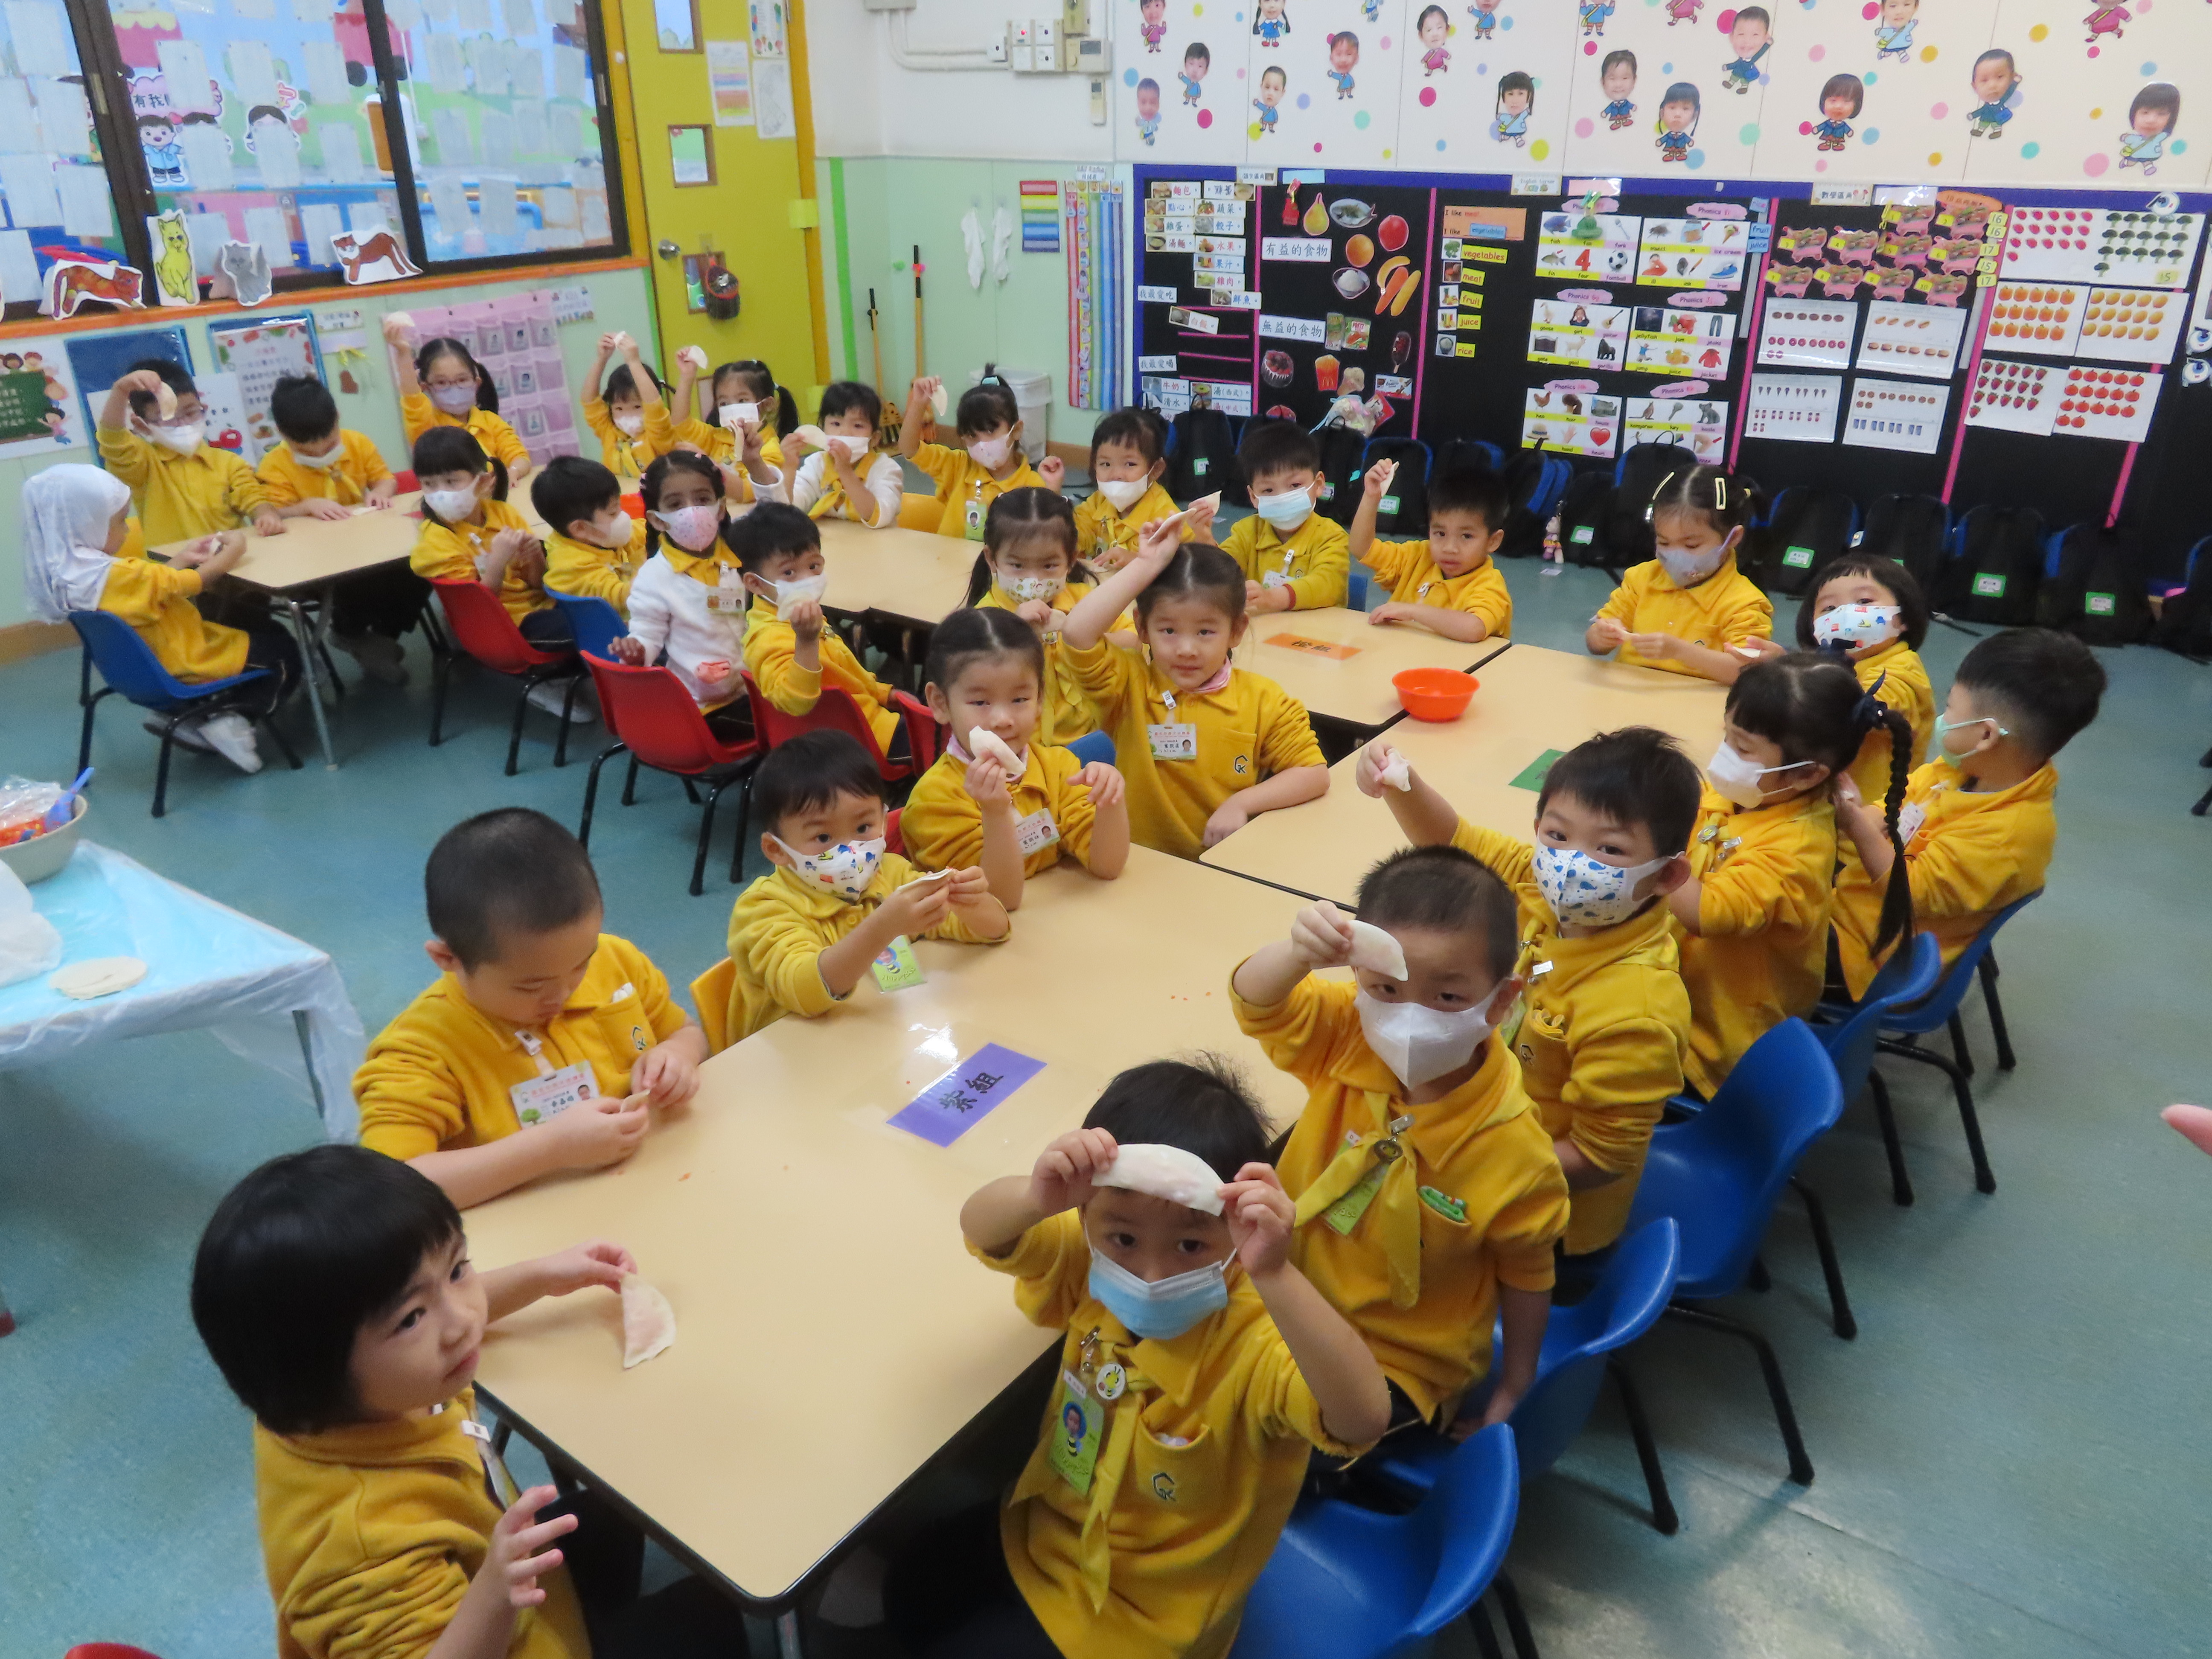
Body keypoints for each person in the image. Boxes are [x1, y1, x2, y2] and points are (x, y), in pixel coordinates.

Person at [889, 1059, 1391, 1659]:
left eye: (1191, 1244)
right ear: (1086, 1216)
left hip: (1146, 1623)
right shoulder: (1089, 1262)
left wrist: (1277, 1274)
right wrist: (1035, 1197)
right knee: (908, 1585)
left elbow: (1363, 1418)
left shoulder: (1256, 1342)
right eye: (1124, 1239)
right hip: (1045, 1533)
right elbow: (984, 1229)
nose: (1151, 1274)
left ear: (1235, 1235)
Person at [192, 1145, 745, 1659]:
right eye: (411, 1319)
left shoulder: (344, 1392)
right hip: (489, 1624)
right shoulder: (358, 1554)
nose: (461, 1324)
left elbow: (434, 1303)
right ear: (315, 1369)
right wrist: (493, 1597)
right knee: (711, 1613)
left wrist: (542, 1277)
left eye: (459, 1269)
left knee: (617, 1510)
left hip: (504, 1560)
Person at [1231, 847, 1569, 1434]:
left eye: (1447, 998)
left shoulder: (1519, 1155)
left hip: (1400, 1363)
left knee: (1263, 1434)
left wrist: (1516, 1386)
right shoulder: (1350, 1033)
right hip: (1279, 1302)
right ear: (1359, 978)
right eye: (1387, 989)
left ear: (1502, 1000)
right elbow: (1257, 1002)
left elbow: (1528, 1278)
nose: (1411, 1018)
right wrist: (1298, 954)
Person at [1357, 727, 1700, 1255]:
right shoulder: (1540, 889)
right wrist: (1399, 783)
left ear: (1667, 875)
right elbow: (1453, 840)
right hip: (1477, 1109)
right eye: (1558, 836)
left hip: (1535, 1207)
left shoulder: (1638, 1011)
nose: (1571, 865)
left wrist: (1468, 1155)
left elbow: (1600, 1159)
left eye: (1609, 849)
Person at [353, 809, 706, 1209]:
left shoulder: (614, 961)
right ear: (448, 959)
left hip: (658, 1188)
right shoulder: (419, 1050)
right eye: (531, 986)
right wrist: (550, 1149)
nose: (564, 994)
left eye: (581, 964)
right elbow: (392, 1189)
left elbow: (685, 1031)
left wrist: (677, 1055)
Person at [1673, 652, 1912, 1095]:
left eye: (1743, 748)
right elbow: (1697, 812)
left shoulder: (1796, 849)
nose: (1725, 755)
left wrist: (1645, 855)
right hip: (1687, 991)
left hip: (1716, 1044)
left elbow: (1704, 912)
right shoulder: (1756, 796)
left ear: (1804, 775)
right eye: (1727, 736)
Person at [1831, 627, 2105, 998]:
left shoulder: (2009, 836)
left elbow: (1909, 891)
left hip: (1874, 959)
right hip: (1853, 907)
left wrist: (1852, 822)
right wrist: (1849, 812)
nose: (1943, 717)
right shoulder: (1959, 769)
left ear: (1986, 736)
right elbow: (1888, 809)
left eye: (1950, 708)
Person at [718, 730, 1009, 1041]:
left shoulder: (891, 872)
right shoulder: (763, 907)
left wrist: (971, 901)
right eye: (823, 837)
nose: (850, 850)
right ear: (776, 850)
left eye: (863, 827)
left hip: (875, 1035)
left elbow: (996, 929)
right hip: (791, 1053)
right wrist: (884, 927)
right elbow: (805, 992)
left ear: (883, 818)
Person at [1061, 521, 1328, 859]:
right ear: (1142, 627)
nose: (1186, 650)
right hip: (1135, 866)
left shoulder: (1264, 700)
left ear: (1236, 631)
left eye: (1205, 632)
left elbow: (1313, 773)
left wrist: (1242, 803)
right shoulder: (1127, 684)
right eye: (1169, 631)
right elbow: (1076, 633)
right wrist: (1146, 564)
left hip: (1219, 867)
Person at [20, 464, 298, 774]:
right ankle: (235, 723)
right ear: (88, 525)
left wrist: (183, 558)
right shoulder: (121, 574)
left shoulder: (70, 575)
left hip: (141, 671)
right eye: (119, 522)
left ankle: (186, 717)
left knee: (258, 636)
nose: (127, 530)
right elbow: (197, 583)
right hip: (184, 659)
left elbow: (151, 588)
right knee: (283, 652)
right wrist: (234, 550)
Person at [901, 607, 1131, 910]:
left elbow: (1108, 866)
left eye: (1020, 699)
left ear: (1040, 698)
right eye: (980, 702)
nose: (1003, 719)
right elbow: (998, 901)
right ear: (941, 703)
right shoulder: (935, 800)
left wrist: (1110, 800)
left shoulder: (1057, 768)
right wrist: (995, 813)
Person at [257, 374, 417, 682]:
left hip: (367, 546)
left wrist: (379, 492)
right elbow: (272, 511)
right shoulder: (274, 465)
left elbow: (385, 479)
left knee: (417, 566)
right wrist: (305, 507)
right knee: (357, 581)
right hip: (316, 562)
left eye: (330, 444)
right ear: (282, 434)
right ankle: (351, 634)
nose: (320, 453)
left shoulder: (357, 443)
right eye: (307, 450)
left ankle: (377, 639)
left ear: (338, 419)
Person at [408, 429, 582, 705]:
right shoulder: (437, 541)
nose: (440, 494)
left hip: (541, 606)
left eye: (451, 482)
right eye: (429, 484)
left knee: (598, 607)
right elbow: (479, 608)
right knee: (591, 628)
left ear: (483, 482)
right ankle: (554, 680)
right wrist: (498, 561)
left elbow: (538, 584)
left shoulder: (503, 514)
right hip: (507, 625)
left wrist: (535, 556)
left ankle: (571, 675)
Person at [736, 502, 909, 760]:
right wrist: (806, 642)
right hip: (860, 739)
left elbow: (848, 672)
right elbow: (795, 702)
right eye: (789, 572)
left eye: (814, 566)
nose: (807, 580)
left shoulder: (797, 615)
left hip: (864, 720)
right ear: (755, 584)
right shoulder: (767, 639)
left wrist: (885, 693)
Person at [1777, 555, 1936, 816]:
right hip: (1822, 806)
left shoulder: (1905, 671)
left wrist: (1787, 673)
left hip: (1869, 820)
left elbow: (1853, 707)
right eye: (1829, 608)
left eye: (1864, 602)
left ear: (1903, 617)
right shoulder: (1835, 663)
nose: (1844, 614)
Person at [1586, 463, 1773, 681]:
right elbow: (1595, 642)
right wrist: (1601, 636)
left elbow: (1747, 672)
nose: (1675, 555)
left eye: (1691, 546)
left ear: (1733, 538)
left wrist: (1680, 651)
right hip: (1630, 692)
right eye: (1664, 543)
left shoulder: (1745, 602)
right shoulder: (1641, 579)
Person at [611, 451, 750, 721]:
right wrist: (637, 651)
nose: (692, 512)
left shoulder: (740, 552)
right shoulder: (653, 578)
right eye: (675, 505)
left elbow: (778, 518)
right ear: (657, 520)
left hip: (754, 687)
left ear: (720, 508)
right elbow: (647, 635)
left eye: (702, 500)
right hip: (705, 706)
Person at [961, 487, 1104, 746]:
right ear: (992, 559)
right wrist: (1015, 633)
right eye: (1017, 566)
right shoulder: (984, 620)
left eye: (1049, 566)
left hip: (1087, 740)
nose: (1034, 580)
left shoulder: (1084, 600)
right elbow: (977, 689)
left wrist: (1075, 630)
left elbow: (1132, 642)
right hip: (1019, 748)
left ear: (1071, 559)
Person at [98, 362, 283, 545]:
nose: (183, 423)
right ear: (142, 426)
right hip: (174, 564)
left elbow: (252, 496)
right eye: (168, 418)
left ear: (203, 409)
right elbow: (113, 440)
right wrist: (120, 391)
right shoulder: (144, 465)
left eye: (191, 413)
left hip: (231, 558)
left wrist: (265, 514)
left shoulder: (229, 463)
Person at [1349, 463, 1511, 642]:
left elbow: (1474, 628)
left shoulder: (1489, 584)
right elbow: (1362, 549)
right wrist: (1371, 497)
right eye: (1440, 534)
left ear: (1493, 541)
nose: (1449, 548)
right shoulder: (1419, 556)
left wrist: (1413, 611)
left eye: (1467, 536)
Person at [1209, 419, 1349, 613]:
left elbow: (1329, 584)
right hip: (1261, 629)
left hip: (1314, 630)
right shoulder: (1246, 532)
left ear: (1318, 485)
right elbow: (1221, 575)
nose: (1282, 497)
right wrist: (1204, 538)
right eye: (1268, 490)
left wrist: (1274, 598)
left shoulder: (1331, 536)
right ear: (1254, 497)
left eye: (1295, 486)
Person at [899, 375, 1061, 538]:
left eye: (990, 431)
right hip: (949, 555)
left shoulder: (1034, 487)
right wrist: (918, 405)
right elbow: (909, 449)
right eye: (972, 436)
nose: (982, 444)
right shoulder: (958, 466)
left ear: (1016, 431)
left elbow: (1050, 539)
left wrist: (1053, 493)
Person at [386, 317, 533, 485]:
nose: (454, 388)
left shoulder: (491, 422)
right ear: (426, 387)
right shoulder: (429, 427)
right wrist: (403, 353)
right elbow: (413, 401)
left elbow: (519, 456)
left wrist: (513, 471)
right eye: (442, 383)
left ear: (476, 383)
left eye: (462, 380)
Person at [1073, 407, 1200, 572]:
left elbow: (1186, 567)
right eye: (1106, 464)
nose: (1116, 475)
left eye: (1130, 464)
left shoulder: (1166, 518)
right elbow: (1074, 534)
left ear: (1155, 470)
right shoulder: (1098, 502)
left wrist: (1138, 561)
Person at [535, 455, 650, 616]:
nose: (623, 517)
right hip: (614, 628)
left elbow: (646, 531)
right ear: (580, 528)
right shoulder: (572, 567)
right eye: (613, 513)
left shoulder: (598, 536)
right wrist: (652, 566)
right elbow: (625, 598)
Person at [783, 380, 904, 528]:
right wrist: (789, 467)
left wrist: (845, 472)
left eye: (858, 426)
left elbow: (879, 516)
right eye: (836, 424)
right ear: (822, 430)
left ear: (874, 439)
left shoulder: (885, 468)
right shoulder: (817, 464)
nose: (845, 433)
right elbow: (789, 509)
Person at [580, 332, 677, 483]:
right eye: (619, 409)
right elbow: (589, 401)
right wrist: (601, 359)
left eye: (637, 407)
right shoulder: (610, 432)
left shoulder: (659, 435)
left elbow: (655, 407)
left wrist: (634, 362)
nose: (628, 416)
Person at [683, 358, 796, 471]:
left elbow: (751, 484)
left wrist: (707, 464)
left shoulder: (771, 450)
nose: (732, 409)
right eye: (724, 403)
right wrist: (687, 377)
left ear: (767, 404)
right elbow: (682, 425)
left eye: (742, 401)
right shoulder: (715, 437)